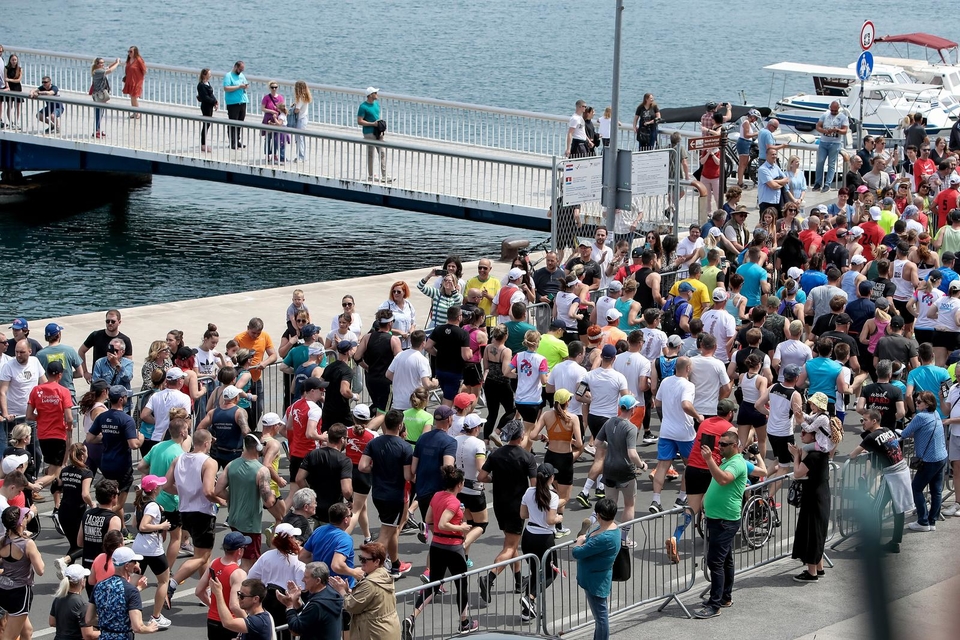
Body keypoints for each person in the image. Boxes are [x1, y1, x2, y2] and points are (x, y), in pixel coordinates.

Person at [401, 466, 479, 639]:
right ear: (459, 484)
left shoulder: (437, 495)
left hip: (436, 546)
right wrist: (461, 527)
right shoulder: (454, 502)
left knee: (433, 586)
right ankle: (465, 622)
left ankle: (411, 618)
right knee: (461, 585)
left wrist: (436, 534)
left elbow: (428, 519)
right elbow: (443, 522)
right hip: (453, 547)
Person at [477, 420, 537, 599]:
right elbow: (534, 486)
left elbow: (481, 476)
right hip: (517, 506)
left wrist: (494, 480)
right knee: (511, 546)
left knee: (511, 542)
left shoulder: (496, 454)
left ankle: (519, 580)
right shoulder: (527, 457)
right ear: (520, 437)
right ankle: (490, 577)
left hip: (499, 505)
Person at [166, 429, 226, 604]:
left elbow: (167, 485)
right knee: (200, 556)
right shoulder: (209, 462)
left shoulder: (179, 459)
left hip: (184, 511)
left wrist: (185, 493)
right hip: (203, 512)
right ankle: (173, 583)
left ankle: (205, 591)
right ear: (207, 444)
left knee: (204, 555)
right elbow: (208, 491)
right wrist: (220, 500)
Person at [694, 430, 747, 618]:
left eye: (724, 444)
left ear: (734, 446)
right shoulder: (727, 461)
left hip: (725, 521)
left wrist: (709, 460)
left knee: (715, 561)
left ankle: (714, 604)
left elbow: (723, 479)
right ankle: (725, 597)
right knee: (725, 560)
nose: (719, 447)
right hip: (718, 518)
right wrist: (705, 499)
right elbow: (716, 482)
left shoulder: (737, 463)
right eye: (719, 443)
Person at [359, 409, 413, 578]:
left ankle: (395, 564)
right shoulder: (405, 447)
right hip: (395, 495)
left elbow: (362, 466)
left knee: (391, 530)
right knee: (385, 534)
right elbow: (407, 476)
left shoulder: (374, 443)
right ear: (400, 425)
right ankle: (371, 568)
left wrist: (375, 468)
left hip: (378, 493)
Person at [849, 409, 912, 554]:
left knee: (875, 509)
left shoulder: (871, 437)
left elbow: (853, 454)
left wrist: (858, 454)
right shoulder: (887, 430)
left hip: (892, 475)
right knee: (899, 509)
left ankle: (873, 545)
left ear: (874, 421)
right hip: (902, 470)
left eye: (864, 420)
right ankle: (895, 542)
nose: (862, 423)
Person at [217, 434, 280, 570]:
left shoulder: (231, 465)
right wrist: (273, 495)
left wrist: (232, 498)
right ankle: (241, 589)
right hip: (250, 525)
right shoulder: (261, 470)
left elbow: (218, 490)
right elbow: (269, 502)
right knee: (249, 563)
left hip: (234, 519)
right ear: (258, 446)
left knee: (235, 557)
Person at [87, 386, 142, 531]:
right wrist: (141, 438)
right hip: (122, 466)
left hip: (106, 464)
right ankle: (99, 519)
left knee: (110, 496)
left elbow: (90, 438)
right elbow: (133, 444)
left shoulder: (102, 417)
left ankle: (121, 528)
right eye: (126, 397)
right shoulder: (126, 419)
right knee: (118, 504)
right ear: (121, 399)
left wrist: (106, 438)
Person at [651, 357, 700, 513]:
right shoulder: (688, 385)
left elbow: (657, 402)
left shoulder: (665, 382)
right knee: (690, 465)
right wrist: (698, 416)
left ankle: (655, 500)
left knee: (662, 465)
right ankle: (681, 497)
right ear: (687, 369)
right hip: (684, 432)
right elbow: (686, 404)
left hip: (666, 430)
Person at [788, 416, 833, 582]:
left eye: (805, 432)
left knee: (811, 533)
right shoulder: (822, 453)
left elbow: (798, 473)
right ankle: (818, 568)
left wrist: (796, 456)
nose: (802, 435)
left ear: (814, 435)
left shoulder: (814, 455)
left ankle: (811, 572)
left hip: (814, 498)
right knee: (817, 532)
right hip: (821, 495)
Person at [26, 361, 73, 509]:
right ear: (60, 375)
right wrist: (69, 425)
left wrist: (41, 418)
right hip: (58, 435)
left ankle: (57, 505)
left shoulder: (36, 390)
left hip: (43, 435)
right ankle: (29, 487)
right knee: (54, 473)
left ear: (47, 373)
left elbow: (29, 415)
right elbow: (69, 417)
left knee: (54, 472)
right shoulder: (63, 391)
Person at [572, 498, 620, 640]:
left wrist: (579, 542)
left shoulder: (604, 538)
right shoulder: (612, 528)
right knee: (600, 617)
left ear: (598, 515)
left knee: (601, 617)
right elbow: (591, 536)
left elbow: (577, 553)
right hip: (597, 577)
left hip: (595, 581)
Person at [247, 523, 306, 639]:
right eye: (294, 537)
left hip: (267, 602)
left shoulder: (266, 556)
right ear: (291, 539)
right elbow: (303, 588)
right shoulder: (298, 562)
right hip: (288, 607)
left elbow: (251, 577)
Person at [85, 547, 159, 638]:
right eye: (134, 562)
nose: (136, 564)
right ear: (127, 566)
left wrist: (109, 622)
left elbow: (89, 619)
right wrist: (150, 628)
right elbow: (137, 627)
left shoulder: (99, 586)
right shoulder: (131, 591)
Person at [901, 391, 948, 532]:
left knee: (916, 488)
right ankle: (932, 521)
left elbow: (904, 433)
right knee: (936, 491)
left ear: (927, 404)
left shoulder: (920, 416)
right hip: (941, 457)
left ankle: (923, 521)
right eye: (916, 401)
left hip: (929, 459)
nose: (916, 403)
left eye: (919, 401)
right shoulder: (935, 414)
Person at [131, 475, 173, 628]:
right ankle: (156, 616)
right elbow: (142, 526)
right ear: (155, 489)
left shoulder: (140, 503)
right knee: (163, 580)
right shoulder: (153, 506)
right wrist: (162, 526)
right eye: (159, 486)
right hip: (152, 549)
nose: (161, 487)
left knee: (133, 580)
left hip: (138, 547)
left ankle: (122, 609)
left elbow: (134, 523)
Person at [193, 531, 250, 640]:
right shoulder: (238, 573)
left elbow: (199, 591)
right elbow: (234, 606)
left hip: (212, 621)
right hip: (231, 623)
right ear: (239, 551)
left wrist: (213, 606)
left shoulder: (214, 563)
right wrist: (249, 622)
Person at [0, 506, 44, 639]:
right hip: (20, 592)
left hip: (3, 589)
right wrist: (35, 552)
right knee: (9, 637)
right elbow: (40, 570)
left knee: (27, 631)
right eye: (25, 517)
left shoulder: (2, 541)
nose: (26, 519)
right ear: (20, 522)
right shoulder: (27, 544)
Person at [295, 424, 352, 525]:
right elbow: (346, 490)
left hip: (316, 508)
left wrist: (312, 495)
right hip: (333, 511)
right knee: (331, 538)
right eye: (347, 439)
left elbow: (299, 479)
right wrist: (351, 500)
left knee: (317, 536)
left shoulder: (312, 454)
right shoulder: (344, 461)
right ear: (342, 439)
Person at [277, 561, 343, 640]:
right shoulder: (332, 594)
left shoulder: (317, 605)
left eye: (306, 577)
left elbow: (296, 630)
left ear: (317, 581)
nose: (303, 580)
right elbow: (311, 616)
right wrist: (297, 602)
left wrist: (289, 606)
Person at [209, 577, 274, 640]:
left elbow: (228, 623)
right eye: (239, 594)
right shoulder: (252, 615)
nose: (239, 598)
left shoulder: (259, 621)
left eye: (242, 596)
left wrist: (218, 594)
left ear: (255, 599)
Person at [36, 322, 83, 399]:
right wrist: (67, 375)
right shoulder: (69, 350)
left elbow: (38, 378)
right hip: (68, 393)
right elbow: (80, 373)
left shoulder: (40, 355)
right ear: (59, 335)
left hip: (49, 395)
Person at [813, 101, 849, 192]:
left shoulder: (843, 117)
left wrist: (837, 130)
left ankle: (827, 184)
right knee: (820, 162)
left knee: (831, 164)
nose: (833, 112)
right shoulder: (825, 115)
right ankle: (818, 183)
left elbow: (845, 131)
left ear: (838, 109)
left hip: (835, 143)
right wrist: (824, 131)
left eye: (835, 110)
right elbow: (818, 126)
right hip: (824, 142)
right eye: (832, 110)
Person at [357, 87, 391, 182]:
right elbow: (359, 121)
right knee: (371, 154)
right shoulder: (363, 107)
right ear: (370, 95)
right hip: (369, 133)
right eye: (375, 93)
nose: (377, 94)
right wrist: (372, 124)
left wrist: (380, 125)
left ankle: (385, 176)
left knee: (382, 153)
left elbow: (376, 117)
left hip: (378, 132)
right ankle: (371, 175)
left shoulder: (376, 104)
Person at [50, 563, 91, 640]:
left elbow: (52, 622)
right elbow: (88, 635)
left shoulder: (58, 598)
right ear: (82, 581)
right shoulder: (82, 604)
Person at [90, 56, 121, 138]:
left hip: (101, 95)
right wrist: (117, 63)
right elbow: (110, 70)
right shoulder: (97, 71)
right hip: (98, 95)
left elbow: (108, 67)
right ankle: (95, 130)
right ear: (97, 64)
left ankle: (98, 129)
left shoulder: (100, 70)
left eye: (103, 63)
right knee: (98, 113)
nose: (102, 64)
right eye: (101, 63)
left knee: (101, 112)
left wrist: (115, 62)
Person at [224, 61, 250, 150]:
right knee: (232, 122)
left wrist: (245, 86)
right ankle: (232, 142)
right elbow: (226, 88)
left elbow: (245, 84)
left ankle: (237, 141)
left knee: (240, 122)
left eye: (242, 70)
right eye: (240, 69)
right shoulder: (228, 75)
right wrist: (239, 87)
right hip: (233, 103)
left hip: (242, 102)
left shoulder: (242, 76)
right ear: (235, 67)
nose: (241, 71)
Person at [197, 68, 218, 151]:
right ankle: (203, 144)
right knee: (206, 124)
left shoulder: (207, 83)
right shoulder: (201, 85)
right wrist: (213, 101)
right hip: (205, 106)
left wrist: (215, 102)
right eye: (209, 74)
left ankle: (204, 143)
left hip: (210, 106)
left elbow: (211, 94)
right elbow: (205, 97)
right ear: (204, 75)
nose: (210, 75)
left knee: (208, 124)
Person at [122, 46, 147, 113]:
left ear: (135, 52)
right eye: (128, 51)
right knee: (132, 97)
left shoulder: (138, 60)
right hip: (130, 81)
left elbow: (144, 70)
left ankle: (137, 113)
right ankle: (134, 112)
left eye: (131, 51)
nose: (129, 53)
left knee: (134, 97)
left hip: (137, 82)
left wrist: (139, 78)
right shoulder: (129, 60)